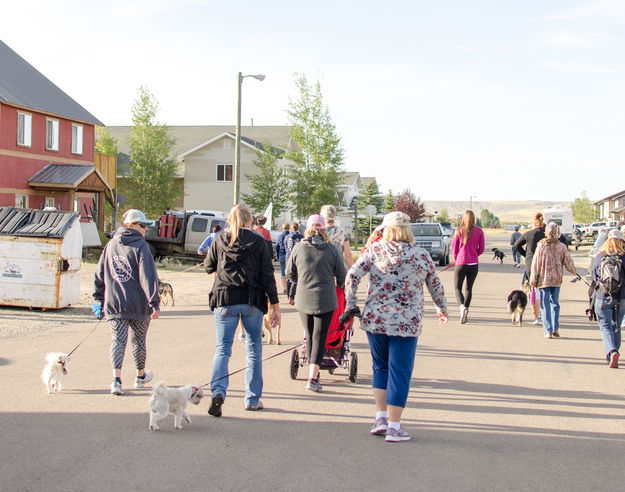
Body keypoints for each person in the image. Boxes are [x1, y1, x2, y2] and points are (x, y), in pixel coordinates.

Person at [344, 211, 448, 442]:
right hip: (406, 323)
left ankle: (381, 417)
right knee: (399, 372)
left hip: (376, 321)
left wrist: (351, 304)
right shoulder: (421, 254)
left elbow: (351, 276)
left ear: (386, 229)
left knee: (380, 368)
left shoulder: (374, 250)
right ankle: (394, 426)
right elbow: (434, 283)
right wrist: (441, 307)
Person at [205, 204, 280, 415]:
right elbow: (267, 275)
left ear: (229, 220)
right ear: (250, 221)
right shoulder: (258, 241)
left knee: (223, 349)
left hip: (224, 298)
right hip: (251, 300)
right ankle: (252, 398)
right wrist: (275, 305)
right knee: (254, 349)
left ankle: (218, 392)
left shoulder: (219, 239)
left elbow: (209, 266)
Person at [93, 209, 160, 396]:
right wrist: (154, 302)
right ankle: (139, 377)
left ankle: (116, 380)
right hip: (139, 304)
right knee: (138, 341)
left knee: (118, 340)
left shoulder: (111, 244)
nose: (145, 229)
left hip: (114, 303)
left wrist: (98, 298)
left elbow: (100, 273)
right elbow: (148, 276)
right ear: (130, 225)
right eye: (142, 225)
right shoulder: (141, 246)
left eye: (146, 226)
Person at [286, 214, 346, 393]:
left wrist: (301, 279)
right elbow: (342, 275)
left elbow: (290, 273)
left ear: (308, 228)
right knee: (320, 336)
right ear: (323, 230)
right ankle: (313, 377)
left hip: (303, 297)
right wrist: (339, 285)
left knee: (310, 334)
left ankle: (314, 374)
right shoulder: (332, 249)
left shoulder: (299, 248)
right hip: (326, 298)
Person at [530, 222, 577, 339]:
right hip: (556, 280)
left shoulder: (541, 246)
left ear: (546, 233)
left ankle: (548, 330)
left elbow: (535, 264)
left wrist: (533, 279)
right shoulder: (562, 247)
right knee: (555, 304)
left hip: (544, 280)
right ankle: (555, 327)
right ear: (557, 233)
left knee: (545, 305)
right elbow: (568, 262)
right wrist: (574, 271)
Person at [591, 229, 625, 367]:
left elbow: (594, 276)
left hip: (603, 296)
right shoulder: (623, 257)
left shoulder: (600, 256)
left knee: (605, 327)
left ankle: (611, 352)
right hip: (622, 297)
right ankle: (614, 351)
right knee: (616, 327)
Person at [451, 210, 485, 324]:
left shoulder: (459, 231)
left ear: (464, 219)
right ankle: (466, 308)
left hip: (461, 263)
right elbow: (482, 249)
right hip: (473, 264)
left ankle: (462, 308)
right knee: (469, 288)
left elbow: (454, 249)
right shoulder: (479, 231)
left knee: (457, 288)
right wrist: (474, 255)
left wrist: (457, 259)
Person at [514, 213, 546, 324]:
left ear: (534, 224)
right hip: (544, 264)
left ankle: (536, 317)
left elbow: (517, 245)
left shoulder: (528, 234)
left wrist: (525, 254)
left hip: (531, 264)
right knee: (544, 289)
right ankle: (544, 313)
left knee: (533, 290)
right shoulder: (547, 234)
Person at [285, 222, 304, 305]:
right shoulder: (301, 237)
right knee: (295, 278)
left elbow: (285, 246)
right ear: (298, 229)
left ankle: (288, 294)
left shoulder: (287, 237)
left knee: (288, 276)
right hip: (297, 258)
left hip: (288, 257)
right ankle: (291, 296)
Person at [275, 222, 290, 295]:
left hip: (282, 255)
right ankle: (290, 288)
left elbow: (277, 246)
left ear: (282, 228)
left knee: (283, 273)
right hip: (289, 256)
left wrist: (277, 256)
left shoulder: (280, 236)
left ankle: (285, 289)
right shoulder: (290, 236)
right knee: (290, 272)